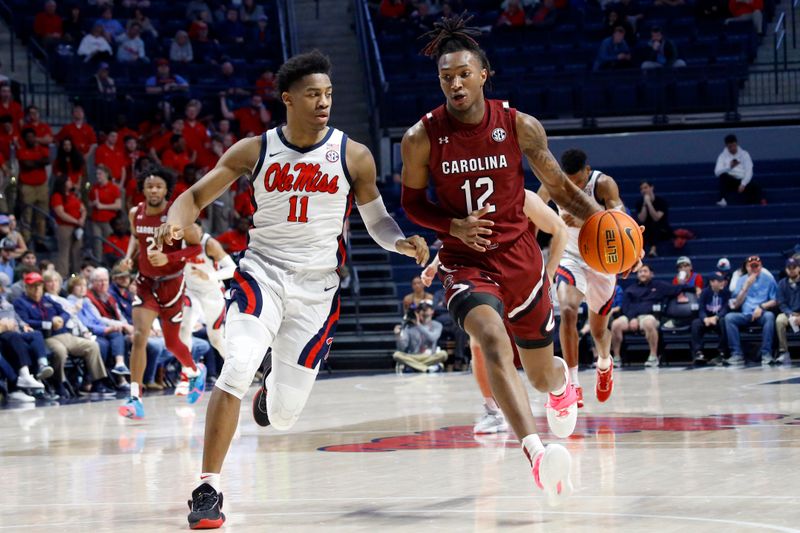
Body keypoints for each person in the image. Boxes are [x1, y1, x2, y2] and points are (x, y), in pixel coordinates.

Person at [153, 50, 428, 529]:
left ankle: (270, 394)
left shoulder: (353, 154)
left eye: (328, 94)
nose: (324, 102)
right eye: (313, 94)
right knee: (236, 365)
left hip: (317, 289)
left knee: (282, 417)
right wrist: (173, 224)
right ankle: (208, 487)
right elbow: (193, 197)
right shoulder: (254, 150)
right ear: (288, 99)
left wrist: (401, 242)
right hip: (262, 273)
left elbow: (378, 221)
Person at [399, 16, 609, 504]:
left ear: (483, 74)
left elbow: (559, 189)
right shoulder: (421, 136)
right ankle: (536, 454)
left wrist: (604, 219)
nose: (454, 83)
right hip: (464, 261)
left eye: (463, 74)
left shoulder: (518, 125)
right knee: (489, 338)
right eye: (446, 76)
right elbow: (411, 204)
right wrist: (452, 227)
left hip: (521, 260)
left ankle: (560, 385)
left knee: (540, 372)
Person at [117, 169, 207, 420]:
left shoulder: (177, 215)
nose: (154, 190)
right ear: (143, 189)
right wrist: (128, 257)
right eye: (149, 186)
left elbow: (196, 247)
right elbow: (136, 238)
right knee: (138, 336)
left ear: (167, 189)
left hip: (172, 284)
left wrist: (169, 257)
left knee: (171, 343)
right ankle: (135, 396)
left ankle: (193, 369)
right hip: (145, 282)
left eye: (158, 186)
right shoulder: (136, 213)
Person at [537, 148, 624, 408]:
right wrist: (552, 221)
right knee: (567, 310)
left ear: (588, 171)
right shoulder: (552, 184)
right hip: (571, 257)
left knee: (599, 331)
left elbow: (620, 220)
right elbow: (533, 214)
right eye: (569, 181)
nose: (573, 188)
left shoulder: (604, 183)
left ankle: (605, 363)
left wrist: (585, 218)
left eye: (578, 182)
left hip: (602, 261)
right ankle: (572, 384)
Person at [13, 271, 113, 398]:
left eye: (39, 286)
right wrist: (49, 323)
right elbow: (25, 322)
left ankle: (97, 382)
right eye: (33, 286)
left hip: (65, 334)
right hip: (46, 337)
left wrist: (60, 319)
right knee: (59, 352)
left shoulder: (47, 299)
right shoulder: (20, 302)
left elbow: (65, 312)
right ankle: (58, 383)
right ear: (26, 287)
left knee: (93, 346)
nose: (37, 289)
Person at [610, 264, 691, 367]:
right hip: (631, 317)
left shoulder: (659, 286)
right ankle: (616, 358)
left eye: (645, 271)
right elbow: (626, 307)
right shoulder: (631, 289)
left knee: (648, 323)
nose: (642, 273)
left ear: (651, 274)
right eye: (640, 272)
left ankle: (653, 357)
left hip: (649, 316)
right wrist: (632, 319)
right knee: (616, 324)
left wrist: (692, 288)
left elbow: (677, 289)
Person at [179, 223, 235, 364]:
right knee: (184, 329)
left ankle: (236, 369)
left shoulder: (209, 244)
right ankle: (188, 373)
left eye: (198, 231)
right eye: (191, 231)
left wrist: (209, 276)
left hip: (212, 294)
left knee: (216, 339)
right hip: (191, 292)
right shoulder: (178, 242)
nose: (195, 234)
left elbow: (233, 269)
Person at [725, 255, 777, 365]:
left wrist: (762, 307)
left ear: (760, 266)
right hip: (746, 314)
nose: (754, 269)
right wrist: (745, 287)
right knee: (729, 318)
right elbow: (736, 304)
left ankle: (766, 353)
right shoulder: (741, 280)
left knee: (769, 316)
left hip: (761, 314)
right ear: (747, 267)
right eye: (751, 266)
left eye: (756, 266)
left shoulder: (769, 279)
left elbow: (776, 300)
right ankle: (737, 354)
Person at [393, 300, 448, 372]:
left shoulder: (437, 325)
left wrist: (418, 325)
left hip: (430, 356)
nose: (423, 312)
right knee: (396, 355)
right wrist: (398, 336)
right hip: (414, 356)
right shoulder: (409, 326)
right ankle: (425, 368)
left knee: (444, 354)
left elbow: (432, 338)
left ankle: (415, 366)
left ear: (432, 311)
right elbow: (402, 348)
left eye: (426, 309)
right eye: (421, 310)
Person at [16, 128, 51, 242]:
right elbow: (26, 164)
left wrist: (34, 162)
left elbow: (47, 160)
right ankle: (26, 239)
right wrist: (38, 162)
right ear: (24, 139)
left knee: (42, 215)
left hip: (42, 185)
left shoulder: (41, 148)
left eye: (32, 136)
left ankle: (40, 240)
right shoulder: (21, 150)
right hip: (27, 186)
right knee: (27, 214)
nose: (31, 139)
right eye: (28, 137)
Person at [50, 175, 87, 277]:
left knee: (77, 251)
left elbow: (83, 208)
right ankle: (63, 275)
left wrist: (81, 220)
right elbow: (60, 213)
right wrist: (76, 221)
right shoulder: (57, 196)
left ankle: (76, 273)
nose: (71, 182)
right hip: (64, 227)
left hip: (77, 227)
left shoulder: (72, 195)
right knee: (64, 252)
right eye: (69, 180)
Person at [691, 271, 730, 365]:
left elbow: (726, 308)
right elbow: (701, 309)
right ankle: (698, 353)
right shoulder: (705, 292)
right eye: (719, 281)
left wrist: (716, 317)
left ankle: (722, 353)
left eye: (723, 281)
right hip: (707, 320)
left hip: (718, 319)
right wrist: (705, 319)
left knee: (724, 321)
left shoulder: (726, 292)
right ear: (712, 282)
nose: (722, 283)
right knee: (696, 323)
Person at [715, 134, 763, 206]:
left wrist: (743, 184)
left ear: (737, 144)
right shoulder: (722, 156)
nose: (732, 148)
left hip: (742, 180)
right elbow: (717, 172)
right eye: (730, 147)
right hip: (730, 180)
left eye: (734, 145)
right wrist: (729, 167)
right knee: (723, 177)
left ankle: (753, 205)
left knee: (755, 186)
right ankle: (723, 200)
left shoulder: (744, 154)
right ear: (726, 146)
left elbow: (749, 170)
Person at [89, 164, 123, 260]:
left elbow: (118, 205)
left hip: (109, 221)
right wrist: (93, 204)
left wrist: (102, 206)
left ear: (106, 174)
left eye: (100, 174)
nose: (97, 176)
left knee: (109, 244)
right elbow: (89, 203)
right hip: (96, 220)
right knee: (97, 243)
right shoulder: (94, 188)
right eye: (96, 174)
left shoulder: (114, 188)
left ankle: (109, 263)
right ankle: (98, 262)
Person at [636, 180, 671, 257]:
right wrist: (645, 204)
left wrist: (649, 203)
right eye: (641, 189)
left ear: (651, 188)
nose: (643, 190)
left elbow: (656, 218)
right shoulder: (639, 203)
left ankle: (653, 249)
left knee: (655, 224)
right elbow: (641, 219)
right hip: (647, 230)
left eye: (645, 187)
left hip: (662, 229)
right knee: (643, 227)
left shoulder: (661, 202)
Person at [775, 257, 800, 365]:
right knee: (779, 320)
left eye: (794, 267)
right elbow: (781, 302)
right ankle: (784, 352)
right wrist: (790, 314)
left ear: (799, 268)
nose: (792, 270)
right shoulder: (782, 283)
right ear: (786, 269)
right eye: (789, 268)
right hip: (789, 313)